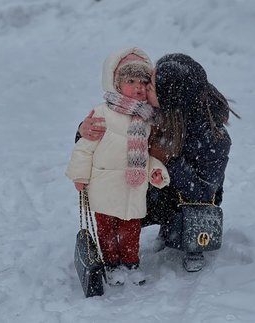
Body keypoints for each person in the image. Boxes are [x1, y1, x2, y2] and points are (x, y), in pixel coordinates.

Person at [78, 53, 235, 273]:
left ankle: (190, 240)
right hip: (153, 189)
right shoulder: (154, 111)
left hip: (188, 198)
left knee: (193, 209)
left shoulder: (213, 139)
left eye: (150, 84)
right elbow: (116, 125)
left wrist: (168, 160)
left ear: (168, 97)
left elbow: (203, 191)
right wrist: (83, 130)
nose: (144, 88)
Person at [66, 47, 170, 286]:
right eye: (131, 81)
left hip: (133, 186)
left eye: (143, 81)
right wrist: (79, 175)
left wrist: (155, 170)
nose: (138, 87)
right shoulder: (102, 113)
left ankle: (132, 264)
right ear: (115, 83)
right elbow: (85, 147)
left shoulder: (148, 119)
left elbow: (146, 153)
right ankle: (112, 265)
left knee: (132, 227)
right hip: (105, 184)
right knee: (106, 229)